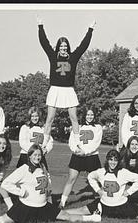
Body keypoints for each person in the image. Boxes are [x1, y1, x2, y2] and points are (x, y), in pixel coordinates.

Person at [0, 144, 102, 223]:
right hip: (25, 207)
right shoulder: (23, 169)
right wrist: (21, 193)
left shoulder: (42, 167)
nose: (37, 157)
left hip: (42, 207)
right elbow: (6, 183)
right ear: (29, 156)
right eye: (34, 155)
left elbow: (47, 185)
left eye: (39, 155)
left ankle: (94, 218)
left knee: (66, 216)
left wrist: (48, 193)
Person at [64, 149, 138, 221]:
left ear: (118, 161)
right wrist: (98, 190)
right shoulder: (101, 172)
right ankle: (58, 214)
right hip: (103, 204)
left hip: (121, 205)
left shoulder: (123, 173)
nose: (113, 162)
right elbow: (90, 176)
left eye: (115, 160)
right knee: (81, 210)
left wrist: (129, 192)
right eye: (111, 159)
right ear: (107, 160)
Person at [37, 15, 96, 151]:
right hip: (55, 89)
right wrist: (40, 27)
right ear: (58, 47)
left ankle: (77, 143)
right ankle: (44, 143)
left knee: (73, 118)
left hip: (68, 90)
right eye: (61, 46)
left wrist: (90, 29)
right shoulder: (53, 56)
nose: (63, 48)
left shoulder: (73, 57)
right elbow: (44, 43)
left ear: (68, 47)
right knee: (50, 118)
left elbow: (83, 46)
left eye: (65, 46)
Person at [59, 107, 103, 208]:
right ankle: (62, 202)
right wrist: (76, 151)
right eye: (88, 114)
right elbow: (72, 141)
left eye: (92, 115)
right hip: (77, 156)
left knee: (97, 179)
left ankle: (102, 201)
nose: (90, 117)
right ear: (84, 115)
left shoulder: (98, 127)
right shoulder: (77, 126)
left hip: (91, 156)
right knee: (71, 179)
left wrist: (85, 152)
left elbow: (96, 143)